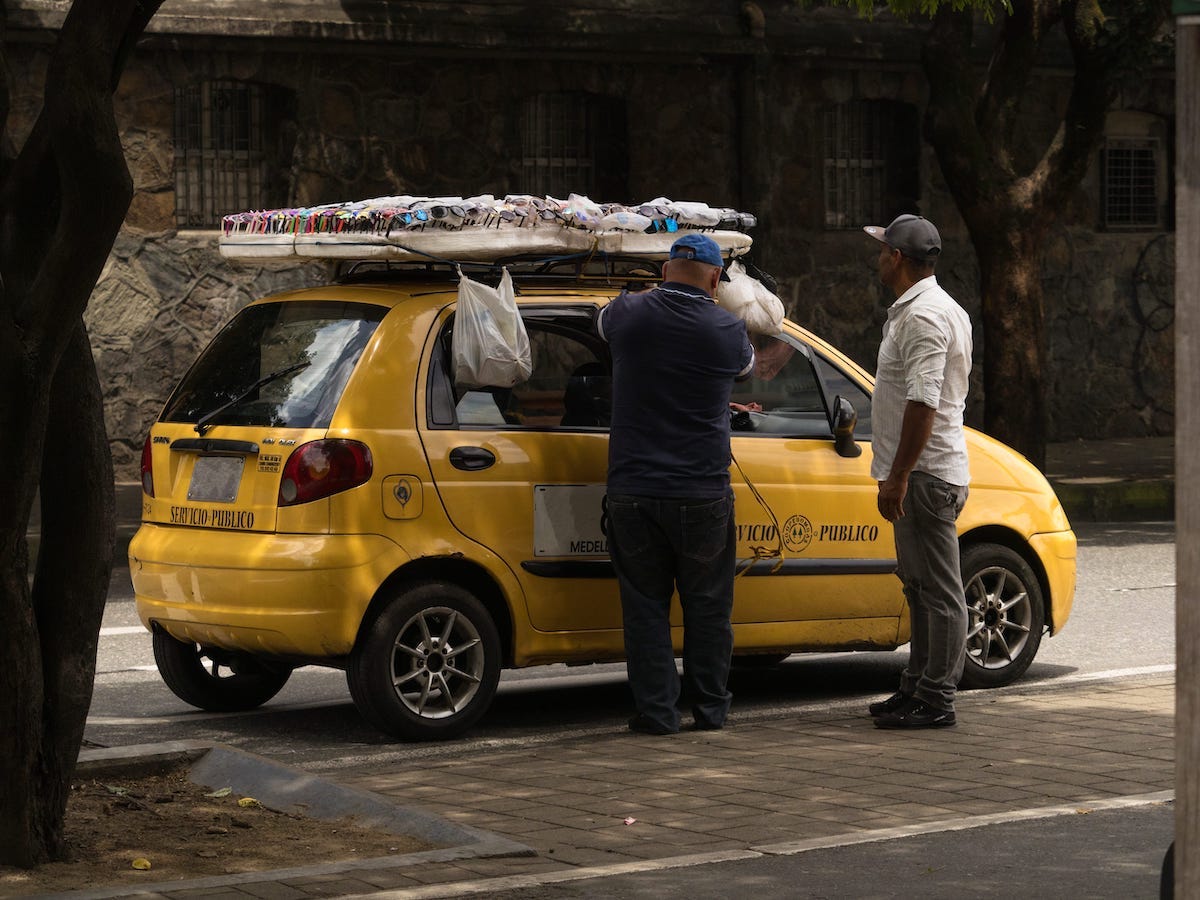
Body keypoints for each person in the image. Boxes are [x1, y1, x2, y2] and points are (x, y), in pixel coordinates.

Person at [597, 233, 755, 735]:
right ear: (715, 279)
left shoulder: (626, 315)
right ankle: (711, 712)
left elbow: (601, 320)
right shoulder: (728, 329)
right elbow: (749, 366)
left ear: (664, 271)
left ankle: (656, 713)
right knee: (709, 609)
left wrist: (643, 291)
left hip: (634, 491)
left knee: (645, 607)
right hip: (702, 493)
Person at [863, 214, 973, 730]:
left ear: (898, 258)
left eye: (883, 249)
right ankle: (916, 687)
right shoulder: (923, 309)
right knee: (919, 586)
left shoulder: (925, 316)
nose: (878, 256)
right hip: (917, 472)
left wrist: (900, 475)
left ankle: (936, 697)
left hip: (925, 474)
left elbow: (924, 402)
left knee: (940, 591)